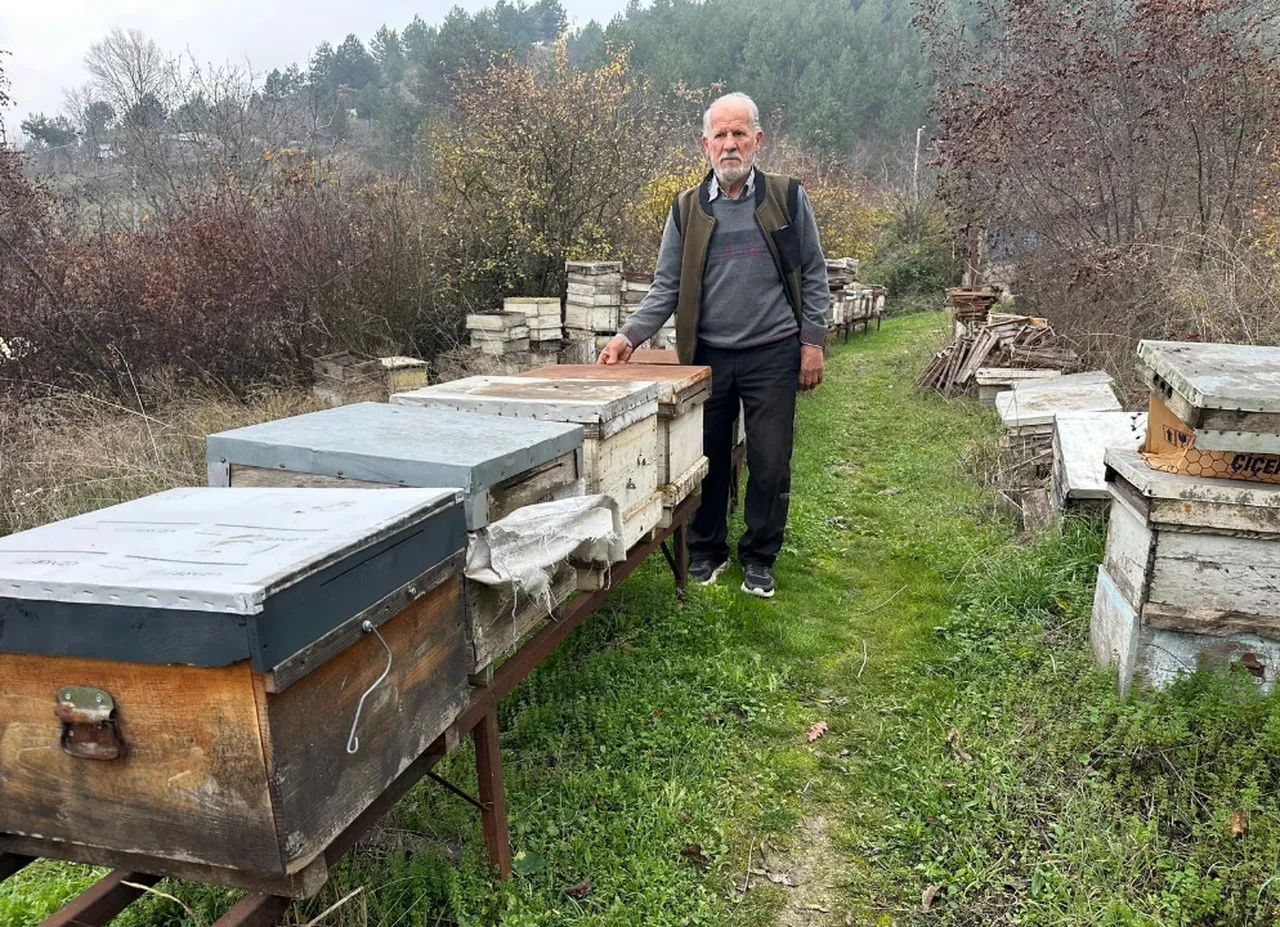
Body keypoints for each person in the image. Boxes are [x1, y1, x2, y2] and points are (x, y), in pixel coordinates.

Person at [597, 91, 829, 599]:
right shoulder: (687, 210)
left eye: (739, 134)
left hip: (773, 351)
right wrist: (627, 337)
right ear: (705, 144)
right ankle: (707, 551)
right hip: (708, 356)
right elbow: (665, 286)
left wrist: (813, 343)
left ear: (757, 140)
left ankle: (760, 557)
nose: (730, 145)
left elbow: (812, 273)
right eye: (720, 135)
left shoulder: (786, 199)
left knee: (770, 459)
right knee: (705, 455)